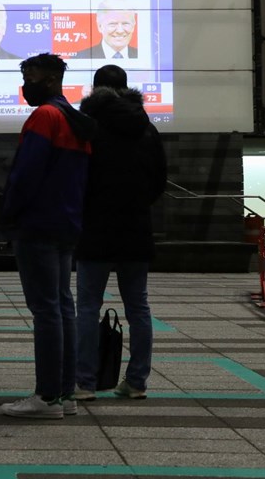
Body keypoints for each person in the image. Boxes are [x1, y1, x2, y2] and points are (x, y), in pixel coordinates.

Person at [0, 53, 96, 419]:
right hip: (67, 223)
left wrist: (9, 214)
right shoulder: (73, 119)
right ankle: (66, 394)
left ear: (53, 79)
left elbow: (26, 174)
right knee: (62, 307)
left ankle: (47, 396)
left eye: (31, 77)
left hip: (38, 224)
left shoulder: (45, 116)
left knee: (46, 310)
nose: (26, 84)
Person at [74, 65, 166, 401]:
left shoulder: (87, 126)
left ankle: (85, 383)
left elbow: (77, 177)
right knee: (138, 306)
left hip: (95, 227)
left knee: (87, 306)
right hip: (135, 227)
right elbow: (159, 180)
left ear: (95, 89)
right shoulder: (147, 129)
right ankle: (137, 381)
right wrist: (137, 204)